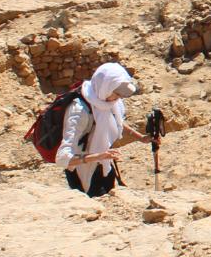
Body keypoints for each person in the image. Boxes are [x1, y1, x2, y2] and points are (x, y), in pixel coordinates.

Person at [57, 62, 147, 197]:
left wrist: (141, 137)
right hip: (83, 171)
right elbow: (63, 158)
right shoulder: (79, 111)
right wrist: (98, 156)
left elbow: (115, 122)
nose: (119, 98)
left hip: (104, 164)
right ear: (106, 87)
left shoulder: (107, 102)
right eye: (117, 93)